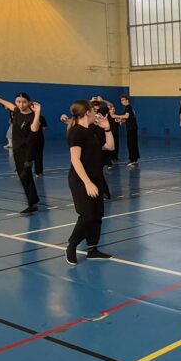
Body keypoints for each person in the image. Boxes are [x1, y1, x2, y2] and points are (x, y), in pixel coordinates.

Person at [64, 100, 114, 265]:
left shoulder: (92, 130)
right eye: (93, 110)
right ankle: (72, 245)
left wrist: (107, 128)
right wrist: (87, 182)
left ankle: (92, 249)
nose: (96, 113)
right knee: (87, 215)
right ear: (87, 112)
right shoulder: (76, 132)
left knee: (97, 214)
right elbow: (75, 159)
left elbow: (109, 146)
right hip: (80, 180)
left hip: (96, 177)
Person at [0, 93, 41, 214]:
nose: (21, 104)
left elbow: (34, 129)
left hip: (28, 150)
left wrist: (38, 112)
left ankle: (33, 203)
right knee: (24, 177)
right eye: (18, 102)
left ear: (29, 102)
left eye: (24, 102)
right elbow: (9, 105)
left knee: (25, 175)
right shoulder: (17, 111)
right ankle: (32, 202)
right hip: (17, 149)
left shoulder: (33, 115)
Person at [113, 94, 139, 167]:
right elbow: (129, 119)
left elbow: (126, 116)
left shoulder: (128, 107)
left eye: (123, 100)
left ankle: (132, 160)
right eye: (121, 100)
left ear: (127, 100)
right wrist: (121, 120)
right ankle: (134, 159)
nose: (122, 101)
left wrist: (115, 116)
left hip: (131, 128)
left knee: (131, 144)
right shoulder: (128, 108)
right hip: (132, 128)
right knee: (132, 144)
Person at [32, 112, 48, 177]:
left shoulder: (26, 117)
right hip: (39, 139)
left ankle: (22, 171)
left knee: (27, 156)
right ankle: (38, 172)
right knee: (38, 156)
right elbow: (44, 128)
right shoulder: (41, 117)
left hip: (30, 139)